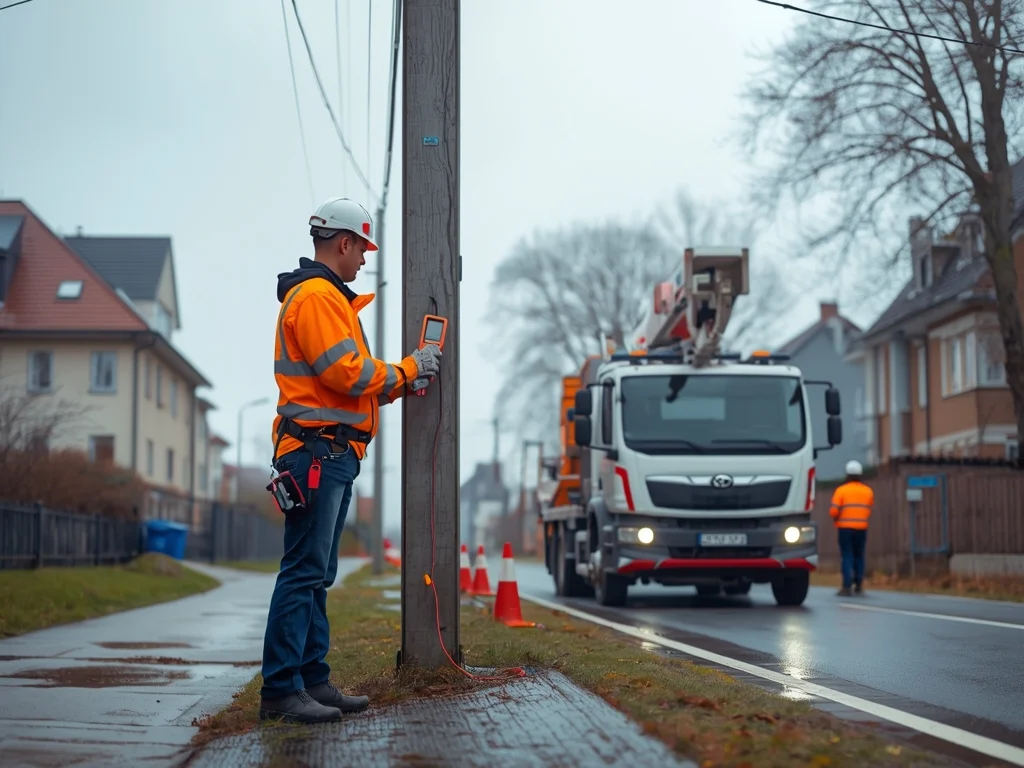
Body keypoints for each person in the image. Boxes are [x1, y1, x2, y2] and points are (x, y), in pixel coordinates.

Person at [259, 197, 442, 724]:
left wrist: (402, 382)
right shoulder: (317, 298)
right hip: (317, 452)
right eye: (362, 248)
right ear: (344, 243)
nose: (364, 259)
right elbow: (346, 372)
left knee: (316, 573)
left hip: (326, 451)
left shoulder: (325, 298)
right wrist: (408, 368)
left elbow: (345, 385)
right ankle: (280, 690)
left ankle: (311, 681)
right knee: (303, 573)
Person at [829, 460, 873, 597]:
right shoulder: (868, 491)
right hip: (862, 528)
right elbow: (868, 509)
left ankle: (846, 586)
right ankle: (859, 585)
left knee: (847, 555)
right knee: (859, 556)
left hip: (845, 529)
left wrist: (837, 519)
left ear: (847, 474)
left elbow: (833, 511)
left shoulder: (841, 491)